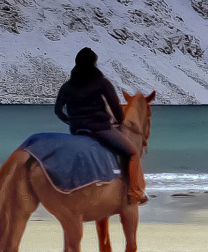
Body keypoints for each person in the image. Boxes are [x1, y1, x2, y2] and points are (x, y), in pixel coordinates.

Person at [54, 48, 147, 204]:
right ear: (94, 63)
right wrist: (119, 122)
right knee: (131, 153)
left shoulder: (67, 86)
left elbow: (58, 111)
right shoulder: (101, 83)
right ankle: (134, 193)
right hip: (100, 128)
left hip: (77, 130)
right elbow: (115, 106)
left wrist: (71, 122)